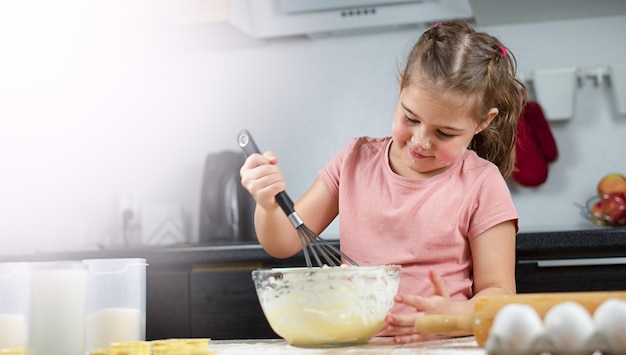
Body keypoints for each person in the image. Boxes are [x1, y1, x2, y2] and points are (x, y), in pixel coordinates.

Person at [239, 19, 525, 344]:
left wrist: (452, 316)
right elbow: (283, 243)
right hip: (358, 346)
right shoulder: (354, 161)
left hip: (443, 345)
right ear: (402, 87)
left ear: (483, 122)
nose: (421, 141)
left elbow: (500, 296)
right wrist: (266, 202)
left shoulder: (481, 183)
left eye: (444, 133)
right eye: (410, 118)